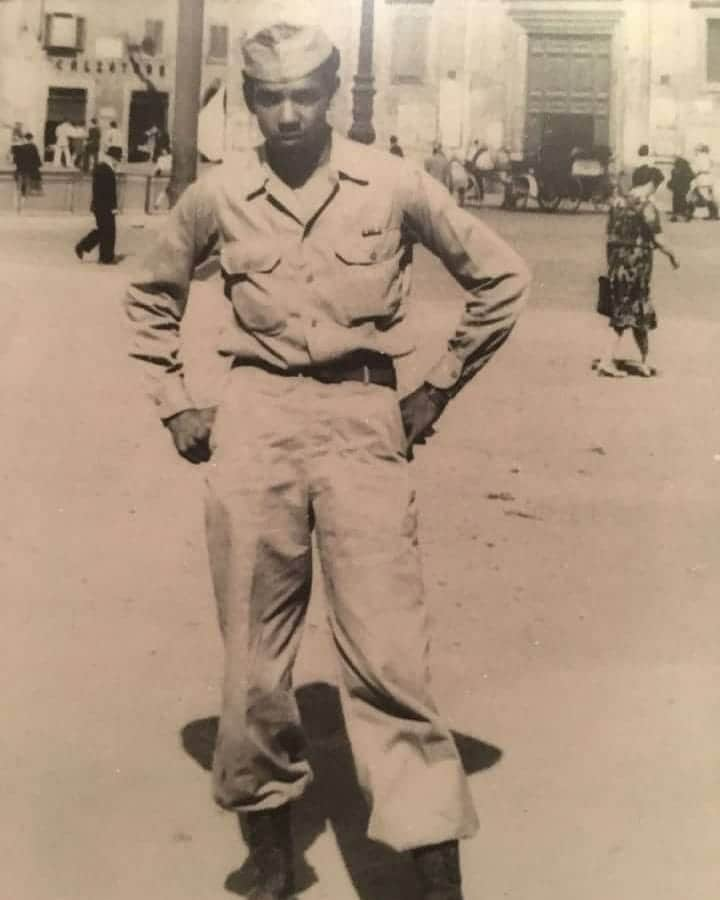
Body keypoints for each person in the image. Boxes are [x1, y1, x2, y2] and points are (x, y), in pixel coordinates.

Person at [124, 20, 528, 900]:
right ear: (249, 100)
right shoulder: (217, 196)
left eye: (307, 92)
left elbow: (501, 278)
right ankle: (272, 852)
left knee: (389, 656)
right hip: (256, 419)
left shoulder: (394, 185)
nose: (290, 112)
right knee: (252, 659)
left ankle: (434, 873)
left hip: (361, 418)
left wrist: (436, 388)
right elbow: (150, 296)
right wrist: (178, 402)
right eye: (270, 95)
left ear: (336, 92)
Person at [596, 166, 678, 378]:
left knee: (639, 311)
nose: (655, 190)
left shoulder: (617, 202)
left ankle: (645, 360)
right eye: (656, 185)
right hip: (636, 267)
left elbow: (610, 233)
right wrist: (672, 255)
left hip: (617, 263)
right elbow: (658, 238)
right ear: (651, 183)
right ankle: (606, 360)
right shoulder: (647, 206)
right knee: (626, 313)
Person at [74, 151, 119, 264]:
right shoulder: (106, 170)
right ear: (112, 158)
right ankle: (106, 258)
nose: (118, 162)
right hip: (105, 206)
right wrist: (113, 207)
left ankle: (83, 246)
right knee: (109, 231)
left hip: (100, 205)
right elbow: (108, 191)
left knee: (103, 230)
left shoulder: (102, 168)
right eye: (117, 159)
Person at [687, 143, 718, 220]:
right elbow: (712, 166)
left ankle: (713, 215)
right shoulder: (708, 157)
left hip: (701, 178)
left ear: (700, 150)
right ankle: (713, 214)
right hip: (708, 178)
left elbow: (694, 169)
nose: (695, 151)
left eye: (696, 150)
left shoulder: (698, 158)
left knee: (702, 196)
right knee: (705, 196)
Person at [13, 132, 42, 197]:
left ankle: (22, 191)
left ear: (25, 139)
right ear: (31, 139)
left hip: (22, 167)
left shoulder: (20, 147)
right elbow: (36, 157)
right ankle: (34, 190)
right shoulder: (33, 147)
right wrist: (38, 164)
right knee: (35, 174)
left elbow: (16, 159)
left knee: (22, 176)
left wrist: (18, 165)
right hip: (31, 167)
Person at [667, 155, 694, 222]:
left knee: (676, 201)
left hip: (676, 188)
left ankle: (675, 216)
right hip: (685, 188)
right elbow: (692, 176)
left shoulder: (674, 170)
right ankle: (686, 213)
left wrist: (670, 185)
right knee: (683, 200)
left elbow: (673, 180)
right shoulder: (687, 169)